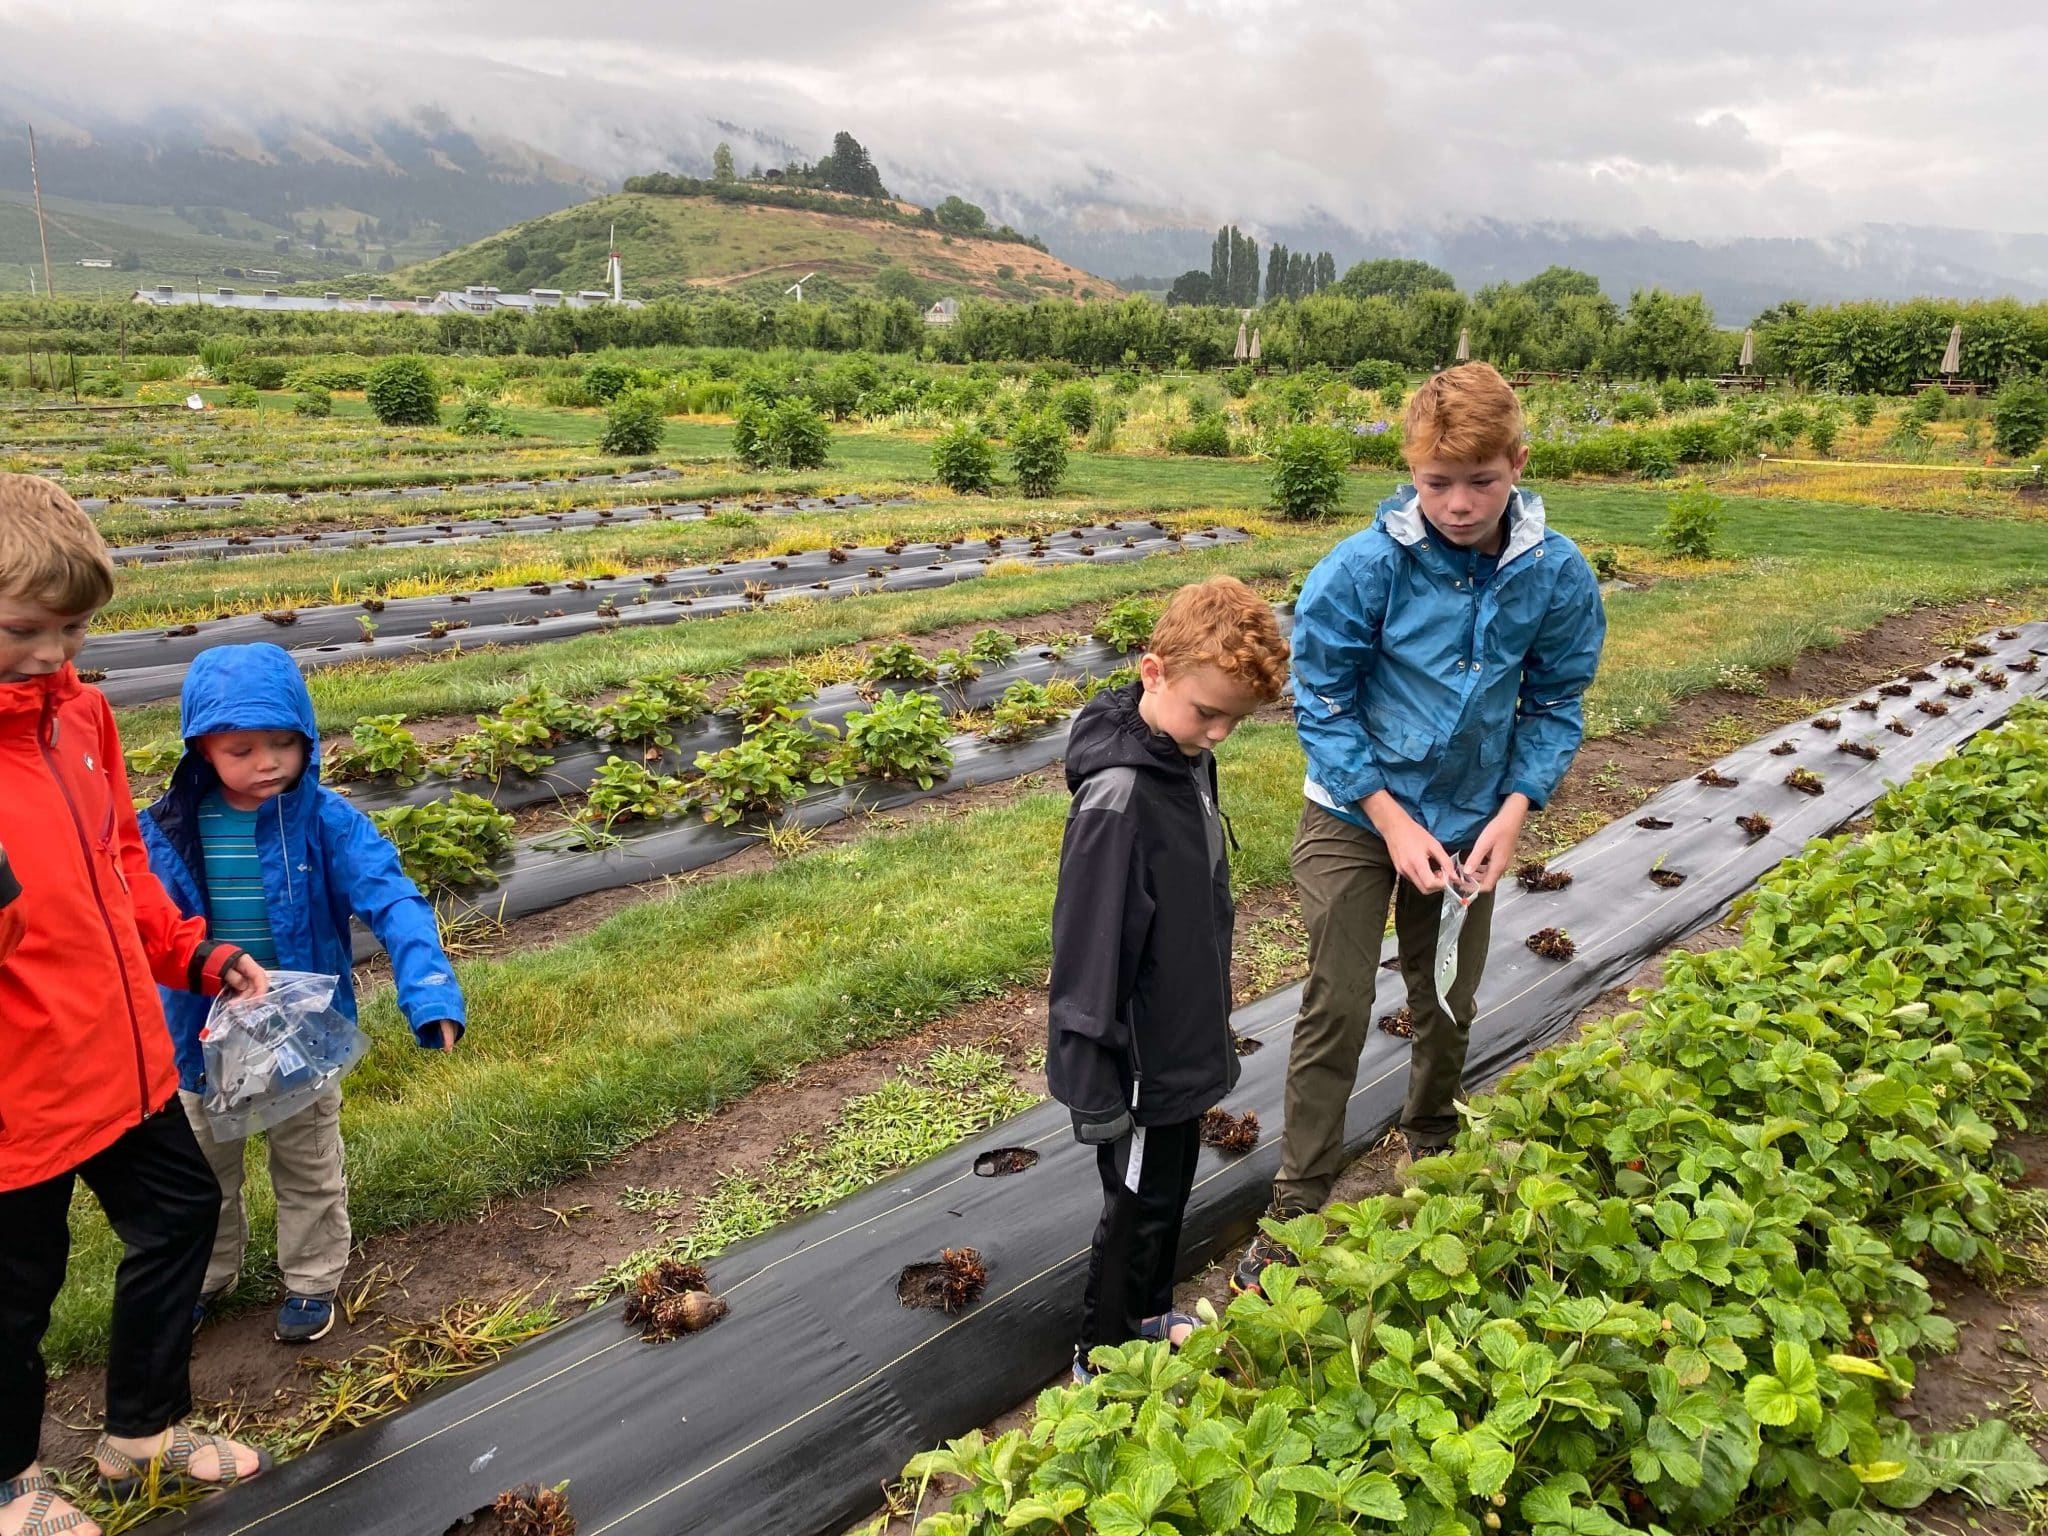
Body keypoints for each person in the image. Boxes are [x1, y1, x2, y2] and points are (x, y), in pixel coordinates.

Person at [1235, 363, 1607, 1296]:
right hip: (1355, 815)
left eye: (1480, 480)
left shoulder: (1555, 575)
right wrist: (1389, 819)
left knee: (1446, 995)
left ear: (1517, 463)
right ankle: (1299, 1197)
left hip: (1473, 820)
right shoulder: (1364, 568)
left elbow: (1556, 702)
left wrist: (1515, 812)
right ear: (1410, 471)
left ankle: (1432, 1139)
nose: (1457, 502)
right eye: (1437, 482)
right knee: (1340, 997)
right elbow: (1321, 699)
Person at [0, 473, 272, 1536]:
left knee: (179, 1215)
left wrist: (193, 955)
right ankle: (14, 1483)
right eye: (27, 629)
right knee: (15, 1298)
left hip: (120, 1056)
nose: (54, 655)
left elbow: (122, 864)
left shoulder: (82, 720)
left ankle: (139, 1436)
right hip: (15, 1085)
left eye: (73, 630)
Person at [141, 643, 467, 1346]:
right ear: (200, 749)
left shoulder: (327, 822)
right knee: (201, 1174)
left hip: (300, 1035)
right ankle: (205, 1277)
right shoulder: (162, 834)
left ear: (308, 738)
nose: (266, 762)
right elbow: (135, 930)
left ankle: (312, 1280)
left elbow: (393, 899)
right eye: (242, 749)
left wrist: (430, 989)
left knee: (307, 1158)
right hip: (197, 1037)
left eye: (283, 744)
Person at [1047, 576, 1290, 1383]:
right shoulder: (1120, 796)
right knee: (1139, 1207)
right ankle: (1101, 1353)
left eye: (1233, 721)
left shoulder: (1177, 752)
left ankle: (1146, 1318)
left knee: (1168, 1188)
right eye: (1206, 712)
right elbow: (1088, 953)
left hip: (1180, 1036)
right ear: (1153, 673)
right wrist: (1094, 1076)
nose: (1217, 734)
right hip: (1141, 1059)